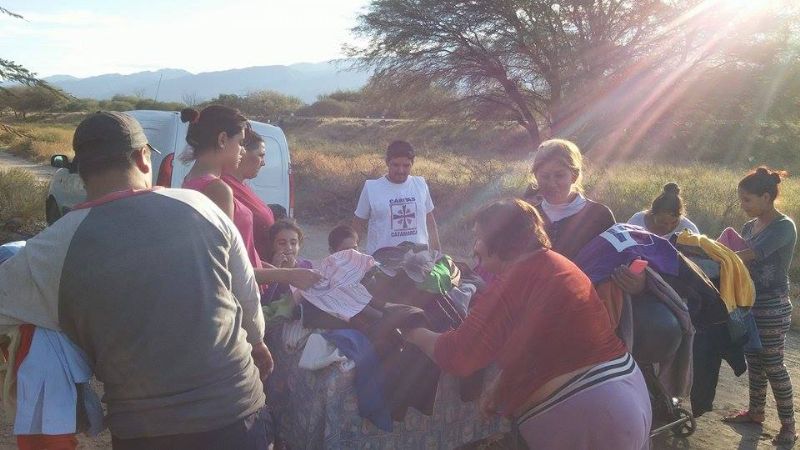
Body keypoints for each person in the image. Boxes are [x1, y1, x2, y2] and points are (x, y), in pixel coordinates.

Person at [0, 112, 272, 449]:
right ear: (143, 158)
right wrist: (258, 342)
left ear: (82, 171)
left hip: (143, 431)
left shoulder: (54, 247)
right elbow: (246, 299)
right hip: (235, 414)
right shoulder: (200, 206)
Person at [402, 199, 652, 449]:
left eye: (478, 238)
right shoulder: (556, 264)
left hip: (591, 413)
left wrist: (412, 329)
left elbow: (459, 355)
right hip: (625, 392)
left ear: (498, 240)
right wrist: (503, 384)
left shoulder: (516, 280)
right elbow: (545, 343)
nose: (475, 247)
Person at [180, 106, 318, 289]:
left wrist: (271, 271)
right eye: (240, 142)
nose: (243, 151)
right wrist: (288, 275)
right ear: (222, 140)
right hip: (237, 296)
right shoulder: (217, 189)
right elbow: (225, 265)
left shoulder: (190, 181)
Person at [723, 167, 797, 445]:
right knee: (755, 359)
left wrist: (715, 253)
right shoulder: (748, 227)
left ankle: (788, 425)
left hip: (773, 305)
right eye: (741, 199)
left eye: (747, 200)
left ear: (766, 197)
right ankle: (756, 412)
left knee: (774, 364)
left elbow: (748, 255)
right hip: (749, 303)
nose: (743, 206)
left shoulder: (783, 227)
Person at [523, 138, 642, 293]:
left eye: (559, 175)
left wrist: (638, 283)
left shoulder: (599, 215)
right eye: (544, 176)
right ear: (535, 176)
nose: (551, 183)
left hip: (587, 301)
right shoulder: (527, 216)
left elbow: (619, 260)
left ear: (574, 175)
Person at [353, 140, 441, 255]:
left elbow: (430, 221)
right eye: (396, 165)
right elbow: (358, 225)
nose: (401, 170)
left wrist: (437, 252)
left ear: (412, 163)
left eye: (406, 165)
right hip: (381, 261)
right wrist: (351, 255)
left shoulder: (420, 184)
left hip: (418, 260)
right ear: (387, 162)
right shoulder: (372, 188)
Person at [222, 128, 276, 260]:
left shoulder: (241, 186)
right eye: (261, 155)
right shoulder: (223, 188)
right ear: (243, 151)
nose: (263, 163)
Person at [261, 220, 313, 305]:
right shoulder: (264, 270)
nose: (288, 247)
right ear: (272, 246)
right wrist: (275, 271)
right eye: (282, 243)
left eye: (293, 243)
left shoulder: (306, 267)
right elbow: (263, 302)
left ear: (299, 245)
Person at [628, 183, 700, 237]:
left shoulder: (689, 230)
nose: (668, 227)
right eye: (662, 222)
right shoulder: (636, 221)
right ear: (652, 213)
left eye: (674, 222)